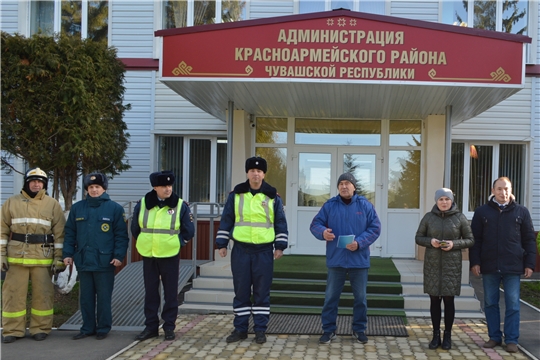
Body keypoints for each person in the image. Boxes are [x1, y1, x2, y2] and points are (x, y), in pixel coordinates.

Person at [216, 156, 288, 344]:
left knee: (261, 292)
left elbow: (280, 222)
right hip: (240, 249)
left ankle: (260, 330)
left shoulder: (273, 196)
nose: (255, 174)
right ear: (247, 173)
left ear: (263, 174)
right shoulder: (236, 195)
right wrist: (222, 244)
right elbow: (227, 219)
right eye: (252, 171)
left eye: (259, 171)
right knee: (241, 291)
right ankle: (240, 329)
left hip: (264, 251)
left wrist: (280, 246)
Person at [310, 172, 381, 345]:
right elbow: (315, 224)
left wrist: (359, 242)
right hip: (336, 260)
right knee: (331, 298)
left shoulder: (365, 206)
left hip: (359, 260)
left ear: (354, 186)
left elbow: (375, 228)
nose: (343, 186)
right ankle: (328, 330)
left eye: (347, 183)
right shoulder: (330, 205)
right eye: (340, 183)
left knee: (360, 299)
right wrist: (322, 232)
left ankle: (359, 330)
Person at [470, 177, 536, 354]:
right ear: (493, 191)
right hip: (489, 265)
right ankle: (494, 337)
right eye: (499, 189)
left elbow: (529, 239)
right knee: (491, 303)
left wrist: (530, 263)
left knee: (513, 304)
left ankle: (512, 340)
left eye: (506, 189)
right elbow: (476, 240)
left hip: (513, 266)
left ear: (511, 189)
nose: (503, 192)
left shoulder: (521, 212)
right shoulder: (482, 212)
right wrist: (475, 261)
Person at [1, 167, 65, 343]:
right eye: (33, 181)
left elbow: (60, 234)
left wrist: (58, 258)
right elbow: (2, 231)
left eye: (40, 182)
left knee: (43, 295)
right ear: (27, 183)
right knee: (12, 295)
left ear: (44, 184)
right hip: (16, 257)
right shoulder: (11, 202)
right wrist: (1, 256)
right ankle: (12, 330)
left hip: (43, 257)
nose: (36, 184)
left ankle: (41, 328)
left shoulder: (52, 204)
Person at [63, 173, 129, 340]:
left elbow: (121, 236)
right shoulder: (78, 208)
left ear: (104, 188)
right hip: (84, 260)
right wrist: (68, 254)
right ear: (87, 190)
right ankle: (87, 328)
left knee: (104, 298)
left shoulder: (115, 209)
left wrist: (119, 255)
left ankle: (103, 328)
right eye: (91, 187)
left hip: (105, 261)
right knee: (85, 298)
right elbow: (70, 233)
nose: (94, 190)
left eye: (97, 187)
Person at [131, 171, 195, 341]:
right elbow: (135, 229)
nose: (168, 189)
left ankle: (169, 327)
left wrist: (177, 243)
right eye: (163, 186)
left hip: (170, 254)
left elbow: (189, 231)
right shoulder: (143, 203)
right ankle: (151, 327)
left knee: (171, 293)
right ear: (155, 187)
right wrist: (147, 241)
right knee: (151, 293)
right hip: (149, 254)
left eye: (170, 186)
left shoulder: (180, 205)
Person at [415, 188, 474, 350]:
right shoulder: (428, 217)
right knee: (434, 299)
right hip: (433, 265)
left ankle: (447, 335)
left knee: (449, 299)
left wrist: (454, 244)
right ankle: (435, 335)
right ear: (436, 201)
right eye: (441, 199)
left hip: (451, 266)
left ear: (452, 201)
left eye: (447, 199)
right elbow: (418, 237)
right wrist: (430, 241)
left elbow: (470, 240)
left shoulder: (460, 218)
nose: (444, 202)